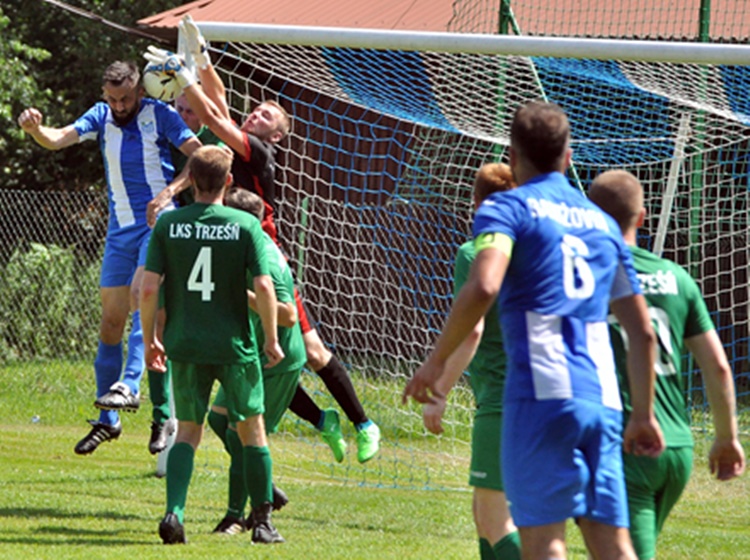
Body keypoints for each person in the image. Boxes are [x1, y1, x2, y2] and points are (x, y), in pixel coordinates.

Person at [404, 100, 665, 560]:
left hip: (539, 395)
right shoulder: (604, 225)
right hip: (602, 398)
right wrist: (642, 414)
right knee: (613, 546)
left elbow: (484, 285)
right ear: (568, 157)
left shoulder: (508, 209)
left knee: (544, 544)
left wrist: (435, 362)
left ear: (513, 155)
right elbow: (641, 331)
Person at [145, 23, 381, 464]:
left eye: (267, 115)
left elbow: (215, 115)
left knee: (308, 351)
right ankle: (321, 423)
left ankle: (364, 423)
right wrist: (202, 58)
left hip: (264, 260)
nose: (255, 114)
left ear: (276, 135)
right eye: (255, 111)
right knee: (257, 358)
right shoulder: (241, 141)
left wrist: (183, 75)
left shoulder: (260, 151)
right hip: (233, 259)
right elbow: (219, 104)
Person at [17, 61, 201, 455]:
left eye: (126, 98)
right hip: (120, 230)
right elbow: (58, 138)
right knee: (111, 322)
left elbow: (200, 155)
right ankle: (107, 420)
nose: (119, 105)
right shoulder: (100, 115)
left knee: (141, 295)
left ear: (139, 91)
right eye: (112, 98)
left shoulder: (160, 114)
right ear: (105, 94)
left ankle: (130, 385)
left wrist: (170, 192)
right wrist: (34, 130)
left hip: (158, 220)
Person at [588, 169, 746, 560]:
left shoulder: (590, 274)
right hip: (677, 448)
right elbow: (719, 367)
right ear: (641, 217)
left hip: (630, 441)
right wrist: (727, 437)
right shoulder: (677, 278)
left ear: (591, 215)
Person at [140, 145, 285, 545]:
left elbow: (149, 287)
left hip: (185, 343)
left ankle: (174, 514)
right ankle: (263, 523)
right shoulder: (245, 225)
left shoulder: (168, 226)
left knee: (188, 431)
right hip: (234, 346)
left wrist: (152, 337)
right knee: (252, 430)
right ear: (228, 181)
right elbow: (263, 285)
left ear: (190, 181)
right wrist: (271, 338)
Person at [421, 163, 521, 560]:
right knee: (485, 515)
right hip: (545, 397)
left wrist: (439, 390)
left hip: (502, 400)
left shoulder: (476, 251)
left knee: (498, 523)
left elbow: (473, 331)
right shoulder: (539, 252)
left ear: (477, 205)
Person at [207, 188, 307, 534]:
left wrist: (241, 293)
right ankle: (263, 487)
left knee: (241, 432)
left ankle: (237, 516)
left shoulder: (264, 255)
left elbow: (289, 316)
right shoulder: (246, 246)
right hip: (250, 353)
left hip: (277, 359)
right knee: (218, 421)